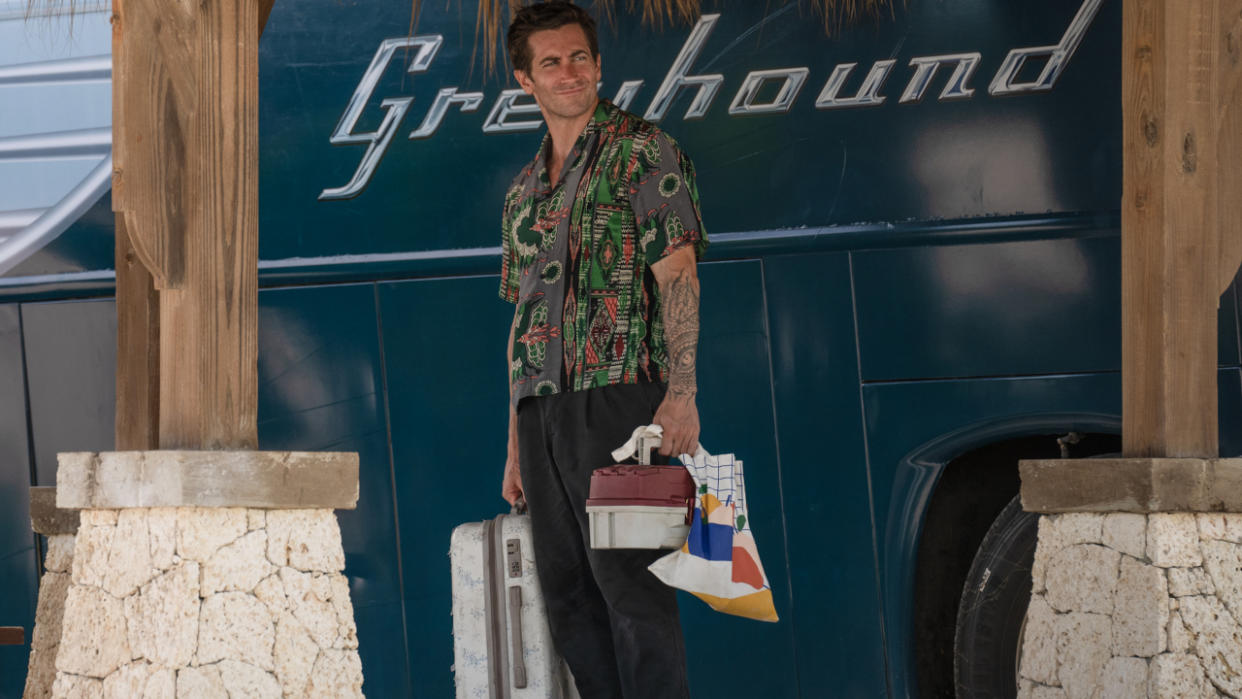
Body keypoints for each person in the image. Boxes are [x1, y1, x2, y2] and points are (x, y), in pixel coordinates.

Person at [498, 2, 708, 697]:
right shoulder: (524, 193)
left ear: (598, 65)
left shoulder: (644, 150)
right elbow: (522, 323)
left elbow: (677, 274)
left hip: (623, 404)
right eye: (551, 62)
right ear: (525, 80)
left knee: (633, 590)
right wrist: (514, 443)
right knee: (569, 598)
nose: (569, 71)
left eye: (579, 57)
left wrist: (681, 393)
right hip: (543, 415)